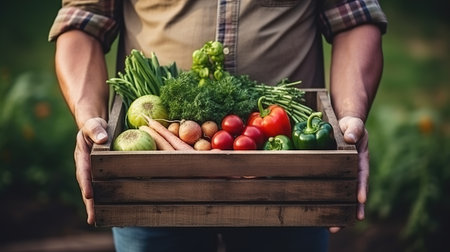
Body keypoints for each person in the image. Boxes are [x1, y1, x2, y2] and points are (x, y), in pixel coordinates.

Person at [49, 0, 387, 251]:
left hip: (288, 176)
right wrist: (89, 116)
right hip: (151, 180)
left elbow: (353, 18)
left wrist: (350, 116)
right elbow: (83, 20)